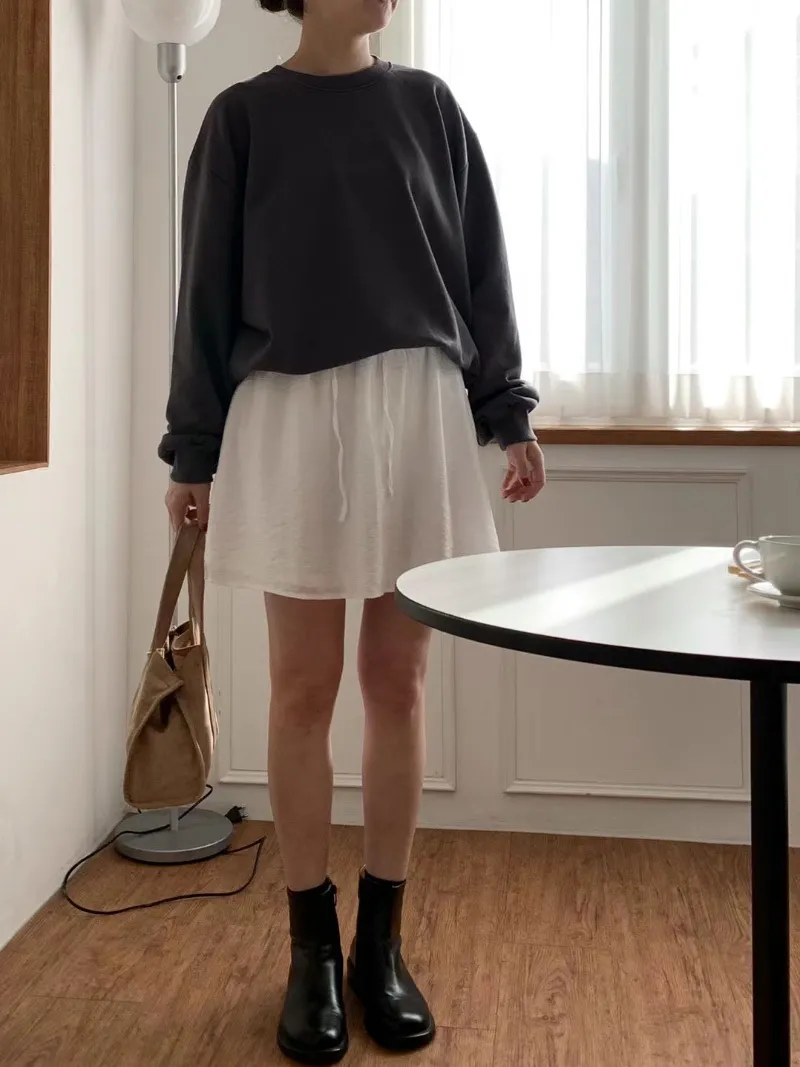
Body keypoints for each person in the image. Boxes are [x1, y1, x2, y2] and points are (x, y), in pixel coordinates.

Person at [160, 0, 546, 1062]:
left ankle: (382, 945)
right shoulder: (242, 118)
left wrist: (507, 410)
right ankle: (310, 953)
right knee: (301, 688)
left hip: (416, 411)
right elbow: (203, 293)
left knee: (398, 683)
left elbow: (481, 269)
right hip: (288, 413)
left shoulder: (429, 106)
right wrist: (192, 451)